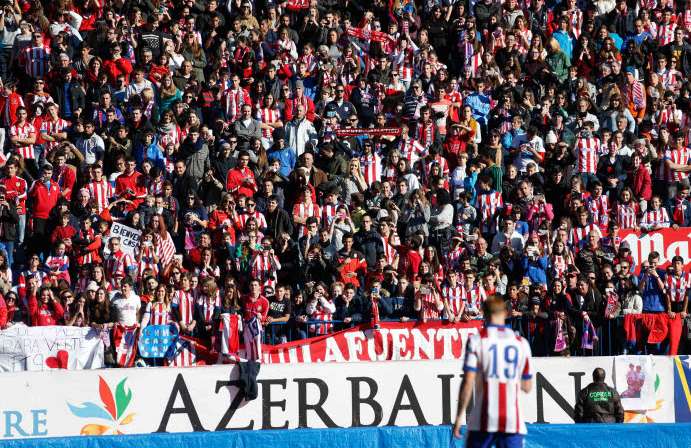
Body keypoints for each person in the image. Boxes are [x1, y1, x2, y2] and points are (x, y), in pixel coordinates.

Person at [453, 296, 533, 445]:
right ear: (505, 313)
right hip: (511, 420)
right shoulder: (521, 343)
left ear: (484, 314)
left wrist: (458, 417)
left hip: (483, 420)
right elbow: (527, 387)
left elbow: (468, 381)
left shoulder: (477, 340)